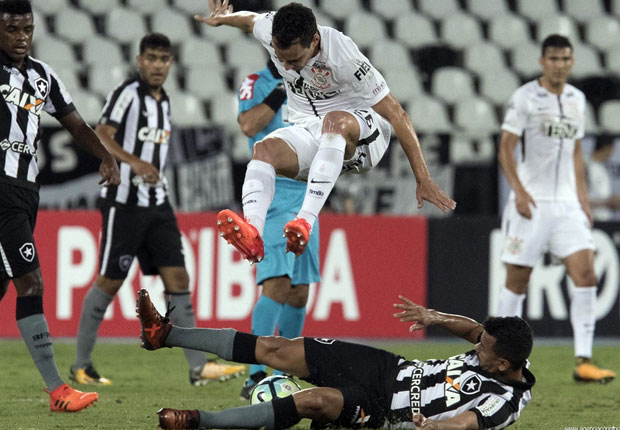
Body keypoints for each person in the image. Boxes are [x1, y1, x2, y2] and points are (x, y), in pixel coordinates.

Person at [195, 1, 455, 263]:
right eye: (281, 58)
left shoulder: (344, 56)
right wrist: (225, 18)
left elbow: (397, 113)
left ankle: (304, 222)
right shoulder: (270, 30)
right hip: (310, 128)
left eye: (294, 60)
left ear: (314, 41)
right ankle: (253, 236)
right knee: (263, 149)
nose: (287, 68)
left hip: (364, 134)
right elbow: (250, 20)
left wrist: (423, 178)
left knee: (334, 121)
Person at [69, 33, 243, 387]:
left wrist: (150, 172)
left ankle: (198, 368)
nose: (158, 65)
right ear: (139, 60)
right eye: (151, 58)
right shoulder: (127, 94)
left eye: (164, 59)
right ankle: (81, 365)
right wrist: (135, 163)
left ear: (171, 63)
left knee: (178, 280)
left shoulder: (164, 102)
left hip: (158, 204)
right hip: (125, 203)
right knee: (110, 280)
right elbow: (101, 133)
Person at [135, 289, 535, 430]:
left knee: (315, 401)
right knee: (278, 349)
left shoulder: (504, 401)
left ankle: (196, 421)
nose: (477, 346)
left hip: (386, 411)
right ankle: (165, 335)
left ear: (503, 366)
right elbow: (474, 330)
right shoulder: (499, 347)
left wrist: (432, 426)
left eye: (485, 348)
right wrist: (434, 317)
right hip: (389, 368)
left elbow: (467, 424)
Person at [0, 0, 120, 412]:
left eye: (27, 30)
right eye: (12, 29)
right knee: (31, 284)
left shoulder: (41, 75)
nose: (21, 38)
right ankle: (57, 390)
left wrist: (105, 157)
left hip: (25, 191)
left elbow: (76, 124)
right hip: (0, 193)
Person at [496, 34, 615, 383]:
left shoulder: (578, 100)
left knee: (586, 275)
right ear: (542, 61)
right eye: (553, 58)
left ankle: (583, 361)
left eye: (565, 59)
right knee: (517, 281)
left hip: (566, 205)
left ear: (572, 62)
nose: (559, 64)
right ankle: (501, 359)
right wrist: (518, 191)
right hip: (531, 202)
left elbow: (576, 153)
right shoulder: (525, 98)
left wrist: (582, 199)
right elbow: (505, 148)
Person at [236, 59, 321, 399]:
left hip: (306, 201)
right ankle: (255, 375)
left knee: (299, 291)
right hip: (271, 197)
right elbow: (247, 124)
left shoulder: (317, 82)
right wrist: (281, 89)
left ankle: (282, 372)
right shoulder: (255, 81)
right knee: (277, 284)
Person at [587, 136, 620, 221]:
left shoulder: (601, 168)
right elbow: (579, 199)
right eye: (612, 149)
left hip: (604, 220)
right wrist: (606, 203)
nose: (612, 153)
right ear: (606, 148)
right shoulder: (586, 166)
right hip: (590, 220)